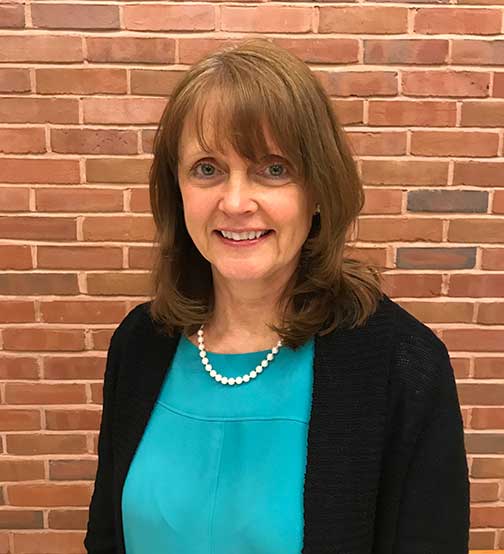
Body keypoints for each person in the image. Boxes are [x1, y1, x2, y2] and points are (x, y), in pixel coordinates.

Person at [83, 38, 470, 554]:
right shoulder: (139, 344)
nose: (237, 202)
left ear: (318, 190)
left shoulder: (403, 366)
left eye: (273, 169)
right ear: (177, 190)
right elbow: (106, 540)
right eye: (207, 169)